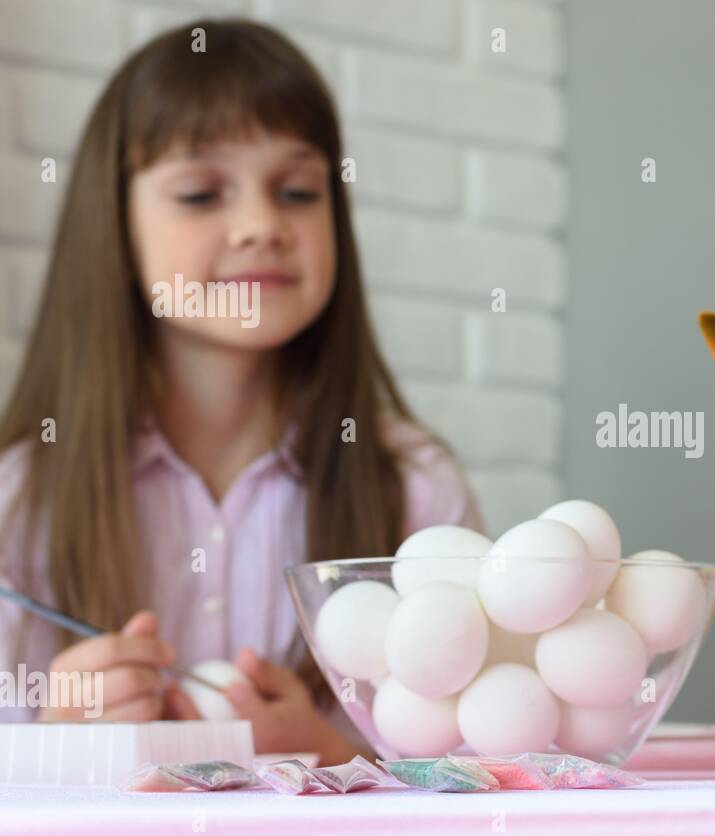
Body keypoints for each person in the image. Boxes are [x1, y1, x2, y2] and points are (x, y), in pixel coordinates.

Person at [0, 21, 483, 762]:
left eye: (297, 191)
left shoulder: (416, 492)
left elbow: (482, 779)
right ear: (115, 232)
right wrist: (52, 745)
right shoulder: (18, 498)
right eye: (200, 194)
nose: (262, 226)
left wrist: (333, 755)